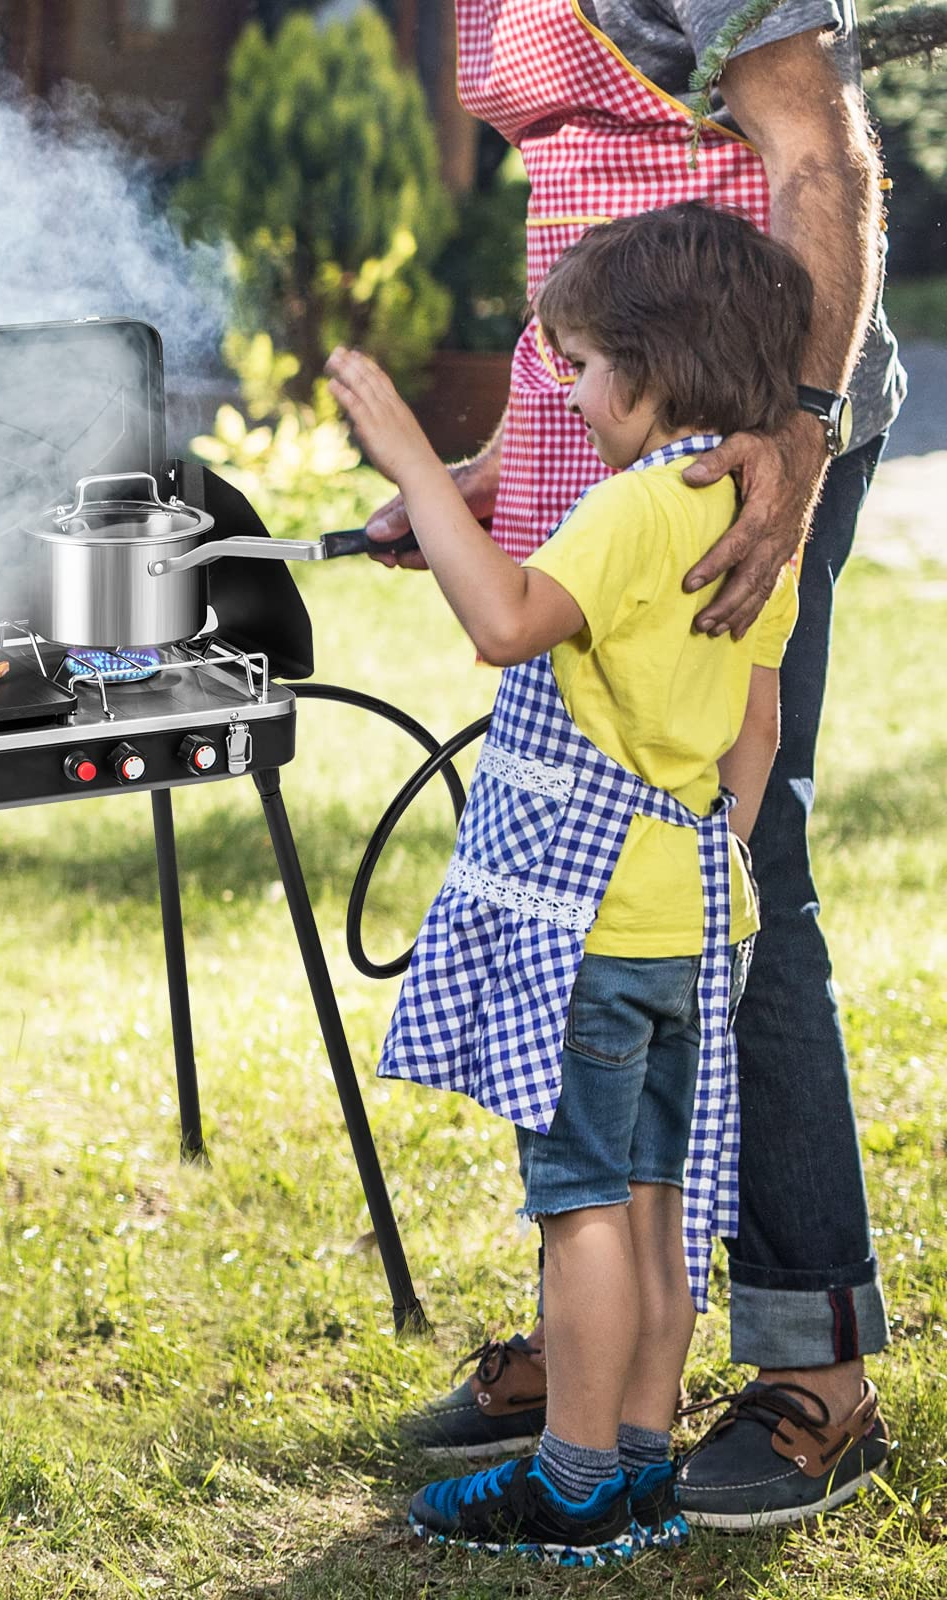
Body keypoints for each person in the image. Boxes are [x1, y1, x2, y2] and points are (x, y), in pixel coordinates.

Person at [374, 0, 902, 1528]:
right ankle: (596, 1343)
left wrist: (791, 444)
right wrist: (501, 471)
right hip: (629, 423)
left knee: (749, 881)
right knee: (595, 897)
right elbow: (603, 171)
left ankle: (816, 1371)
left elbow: (815, 157)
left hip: (750, 426)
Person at [326, 200, 818, 1562]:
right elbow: (753, 732)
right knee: (658, 1198)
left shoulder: (634, 507)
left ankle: (575, 1475)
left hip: (591, 934)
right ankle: (646, 1464)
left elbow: (503, 623)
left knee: (580, 1207)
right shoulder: (743, 520)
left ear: (652, 372)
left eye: (587, 366)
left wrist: (418, 460)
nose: (575, 394)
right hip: (690, 919)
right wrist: (702, 844)